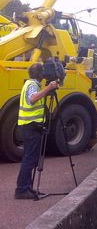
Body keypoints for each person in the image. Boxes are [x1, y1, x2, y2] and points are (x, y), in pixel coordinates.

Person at [15, 63, 59, 200]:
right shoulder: (33, 85)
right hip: (31, 127)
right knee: (30, 158)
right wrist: (49, 88)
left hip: (30, 126)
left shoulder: (30, 84)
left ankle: (26, 188)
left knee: (30, 158)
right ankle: (22, 190)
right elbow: (33, 98)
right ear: (40, 74)